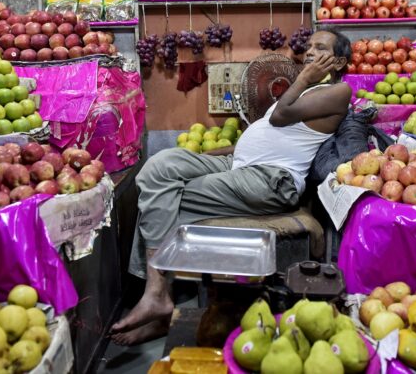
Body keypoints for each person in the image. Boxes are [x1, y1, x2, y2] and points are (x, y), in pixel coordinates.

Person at [110, 26, 352, 345]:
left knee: (164, 196)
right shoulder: (306, 91)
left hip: (269, 180)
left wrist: (303, 78)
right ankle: (159, 300)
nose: (308, 52)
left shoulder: (338, 91)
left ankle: (156, 296)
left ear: (337, 62)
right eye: (308, 46)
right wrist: (203, 156)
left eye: (319, 48)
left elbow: (280, 117)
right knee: (159, 167)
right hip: (238, 165)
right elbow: (270, 133)